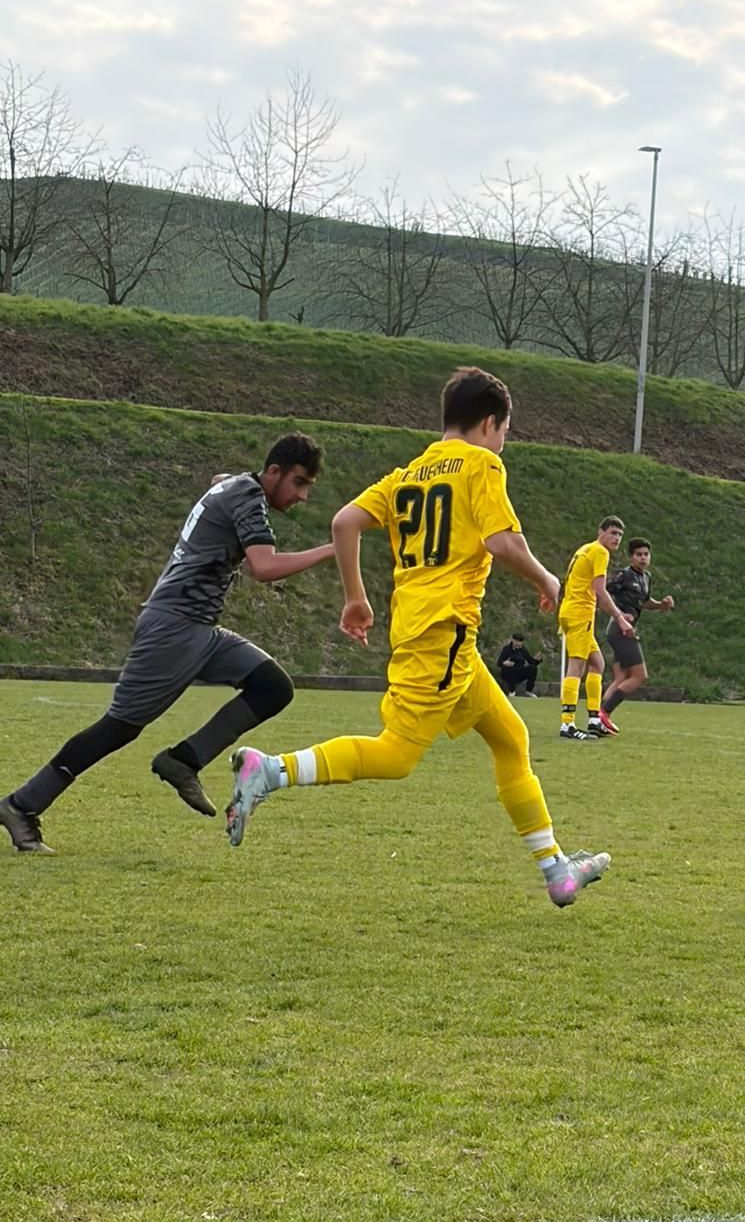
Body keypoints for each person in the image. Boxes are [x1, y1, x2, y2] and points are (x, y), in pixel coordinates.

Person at [223, 366, 611, 909]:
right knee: (397, 754)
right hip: (443, 634)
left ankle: (556, 871)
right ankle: (269, 771)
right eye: (505, 430)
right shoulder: (482, 464)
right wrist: (548, 580)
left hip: (436, 635)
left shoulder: (410, 473)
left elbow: (344, 522)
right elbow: (502, 541)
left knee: (511, 738)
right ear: (489, 423)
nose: (503, 441)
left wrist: (356, 598)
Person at [0, 436, 335, 854]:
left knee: (273, 687)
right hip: (174, 627)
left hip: (199, 629)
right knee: (117, 729)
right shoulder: (247, 494)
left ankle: (183, 760)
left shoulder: (237, 487)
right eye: (299, 483)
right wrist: (333, 549)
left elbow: (221, 486)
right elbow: (263, 567)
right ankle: (21, 805)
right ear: (273, 472)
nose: (302, 496)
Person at [557, 518, 635, 740]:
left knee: (597, 663)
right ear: (601, 531)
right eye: (613, 532)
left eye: (620, 535)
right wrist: (620, 618)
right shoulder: (600, 551)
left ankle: (594, 720)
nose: (616, 538)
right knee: (576, 666)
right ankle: (567, 724)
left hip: (570, 611)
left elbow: (572, 580)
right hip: (580, 614)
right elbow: (600, 590)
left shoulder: (585, 549)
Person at [597, 538, 675, 734]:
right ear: (631, 556)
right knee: (640, 676)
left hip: (626, 629)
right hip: (619, 629)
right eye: (638, 554)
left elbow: (644, 602)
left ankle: (597, 719)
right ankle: (604, 712)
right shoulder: (623, 575)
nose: (643, 558)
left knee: (621, 678)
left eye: (646, 554)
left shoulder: (646, 577)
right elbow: (602, 593)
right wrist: (619, 614)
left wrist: (661, 605)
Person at [496, 632, 541, 697]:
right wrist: (504, 663)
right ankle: (512, 691)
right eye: (516, 641)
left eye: (520, 641)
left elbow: (531, 662)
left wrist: (537, 660)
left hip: (519, 671)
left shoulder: (523, 650)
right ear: (512, 640)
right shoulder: (506, 649)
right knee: (510, 670)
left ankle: (528, 690)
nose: (518, 643)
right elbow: (499, 663)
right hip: (508, 672)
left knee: (533, 668)